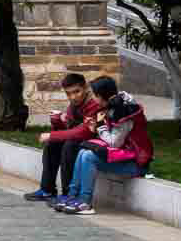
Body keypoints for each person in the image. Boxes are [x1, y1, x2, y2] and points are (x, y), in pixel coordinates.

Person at [55, 76, 154, 215]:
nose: (93, 99)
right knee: (84, 151)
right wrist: (96, 126)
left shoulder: (124, 110)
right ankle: (72, 196)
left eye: (94, 95)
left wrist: (100, 126)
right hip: (122, 156)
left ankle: (85, 202)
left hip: (136, 164)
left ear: (102, 96)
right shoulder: (113, 105)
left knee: (89, 156)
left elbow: (115, 142)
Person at [23, 73, 102, 202]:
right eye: (68, 93)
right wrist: (58, 121)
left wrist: (51, 135)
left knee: (69, 146)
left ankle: (68, 194)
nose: (73, 97)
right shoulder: (74, 105)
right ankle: (47, 190)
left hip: (94, 141)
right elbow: (70, 127)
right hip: (80, 139)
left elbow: (84, 132)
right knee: (52, 145)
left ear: (85, 88)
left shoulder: (94, 104)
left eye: (77, 92)